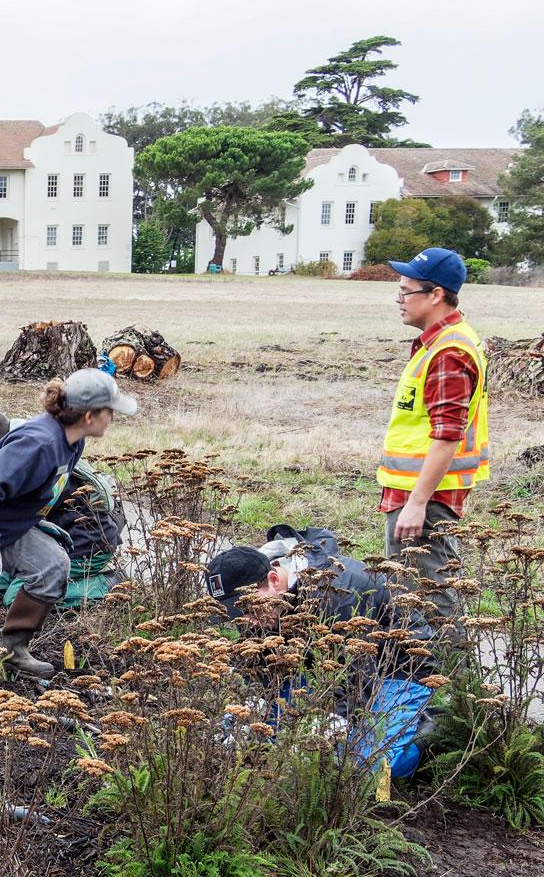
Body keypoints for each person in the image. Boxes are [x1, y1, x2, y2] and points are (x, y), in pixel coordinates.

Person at [0, 369, 132, 677]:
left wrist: (35, 522)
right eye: (109, 411)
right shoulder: (39, 443)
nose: (112, 418)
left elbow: (35, 493)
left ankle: (12, 649)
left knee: (52, 564)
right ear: (89, 415)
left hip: (0, 528)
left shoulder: (72, 441)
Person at [204, 527, 437, 778]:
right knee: (273, 737)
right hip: (323, 665)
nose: (246, 620)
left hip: (398, 669)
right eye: (236, 614)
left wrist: (333, 722)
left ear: (273, 579)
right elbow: (258, 661)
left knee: (361, 765)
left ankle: (428, 732)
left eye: (248, 609)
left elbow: (357, 674)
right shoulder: (263, 606)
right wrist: (240, 712)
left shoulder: (336, 593)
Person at [378, 247, 489, 616]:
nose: (399, 299)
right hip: (417, 492)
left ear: (436, 294)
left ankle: (450, 674)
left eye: (406, 290)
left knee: (429, 599)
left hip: (426, 497)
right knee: (409, 593)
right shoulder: (443, 342)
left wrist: (417, 503)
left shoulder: (449, 353)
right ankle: (421, 673)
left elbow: (447, 435)